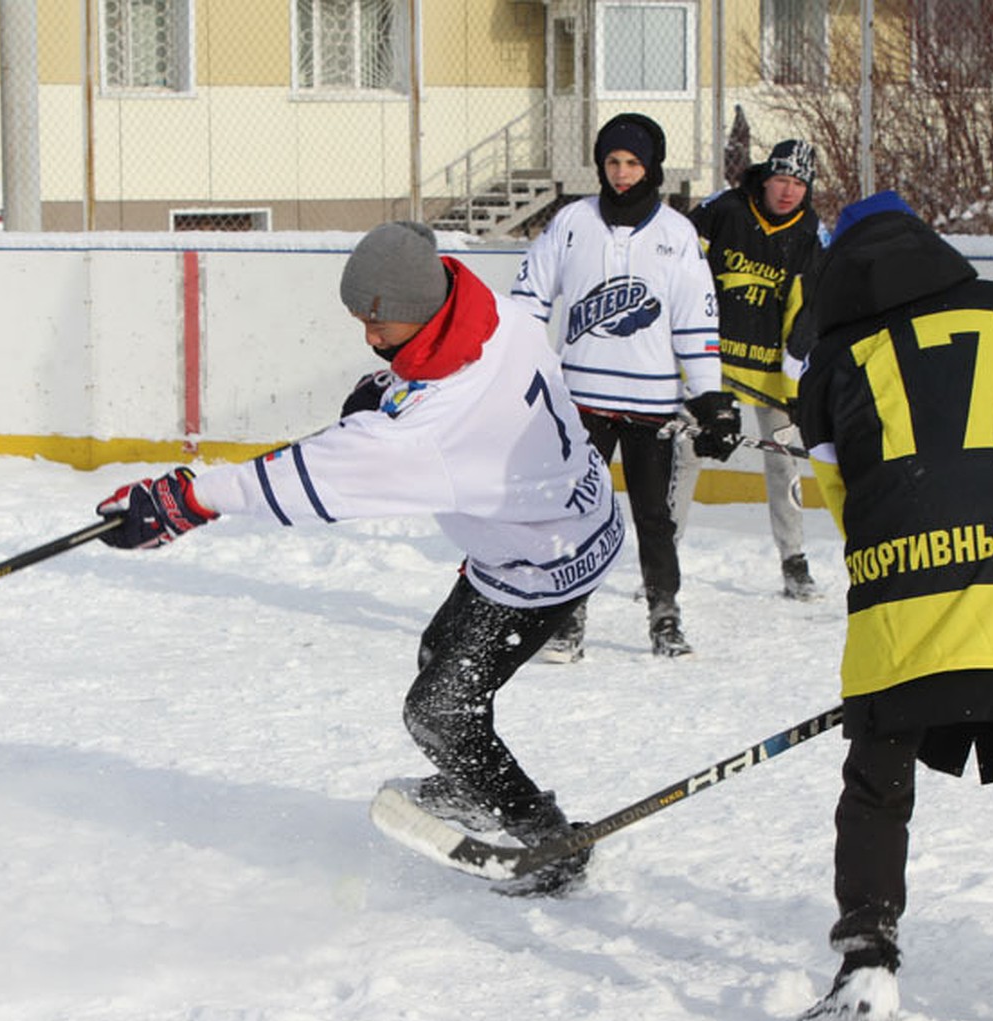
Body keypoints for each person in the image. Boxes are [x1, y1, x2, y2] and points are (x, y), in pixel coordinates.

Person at [94, 221, 626, 895]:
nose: (371, 338)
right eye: (363, 321)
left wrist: (185, 500)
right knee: (443, 655)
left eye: (383, 325)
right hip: (572, 519)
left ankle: (553, 844)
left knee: (439, 713)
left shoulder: (430, 430)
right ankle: (473, 786)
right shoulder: (499, 316)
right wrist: (393, 383)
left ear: (425, 311)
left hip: (545, 562)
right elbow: (439, 387)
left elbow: (297, 478)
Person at [791, 191, 993, 1021]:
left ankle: (866, 964)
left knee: (878, 785)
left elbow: (844, 502)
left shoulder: (833, 363)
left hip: (900, 599)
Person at [511, 112, 736, 661]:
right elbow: (527, 302)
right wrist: (516, 368)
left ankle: (664, 615)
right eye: (612, 162)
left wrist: (711, 400)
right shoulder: (571, 223)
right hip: (582, 402)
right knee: (578, 511)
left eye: (633, 163)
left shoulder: (677, 234)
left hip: (652, 406)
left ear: (651, 166)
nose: (622, 173)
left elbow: (696, 323)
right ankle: (567, 617)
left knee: (653, 516)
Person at [675, 138, 829, 601]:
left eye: (799, 183)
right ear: (766, 176)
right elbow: (681, 269)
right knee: (686, 456)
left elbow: (807, 311)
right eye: (781, 179)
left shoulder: (810, 233)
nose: (788, 191)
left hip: (769, 367)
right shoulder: (724, 210)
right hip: (710, 361)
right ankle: (663, 556)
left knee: (783, 461)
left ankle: (793, 559)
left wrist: (796, 381)